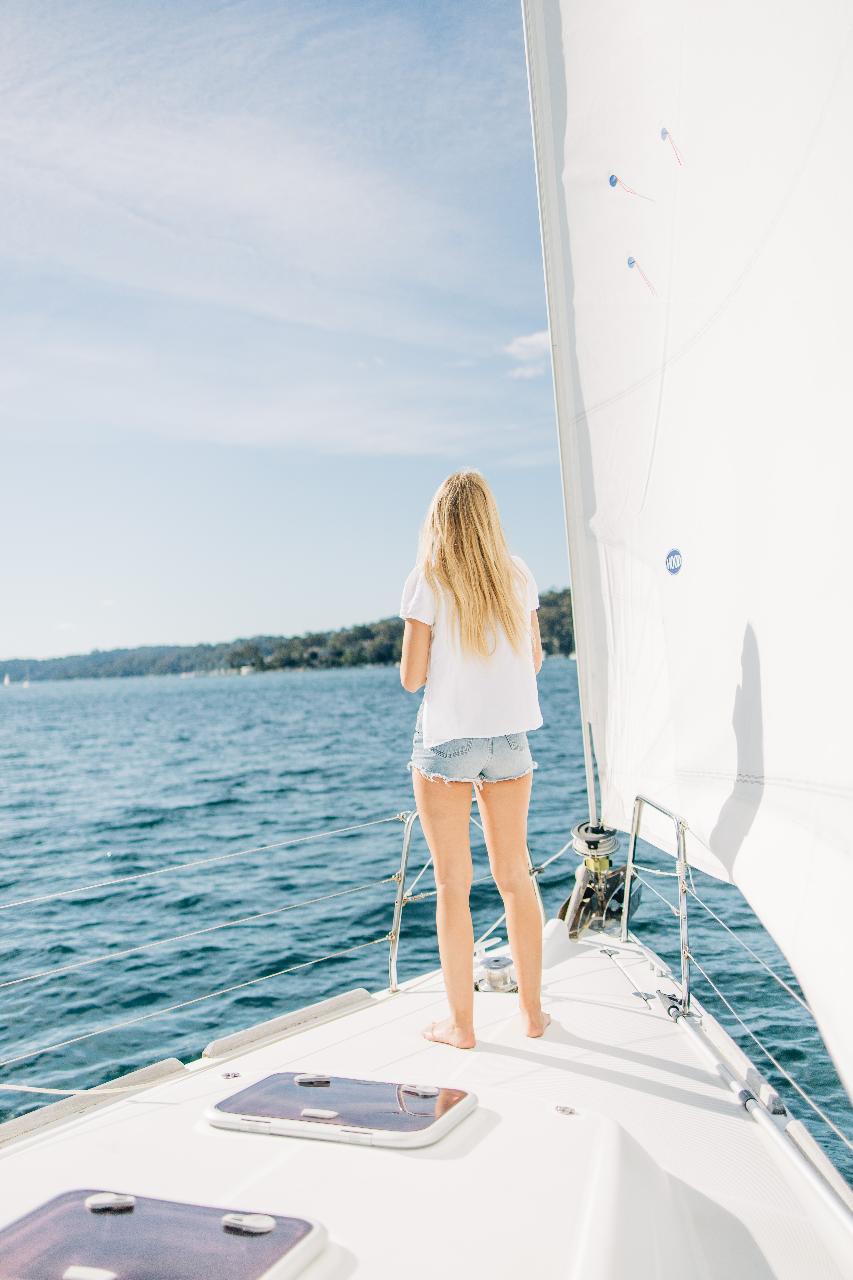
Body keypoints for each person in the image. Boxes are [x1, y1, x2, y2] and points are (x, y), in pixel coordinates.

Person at [398, 469, 550, 1049]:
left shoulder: (429, 577)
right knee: (515, 877)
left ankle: (462, 1026)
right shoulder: (518, 574)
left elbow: (412, 677)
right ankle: (532, 1015)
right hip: (509, 739)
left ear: (440, 519)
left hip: (448, 741)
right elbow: (533, 659)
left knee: (453, 885)